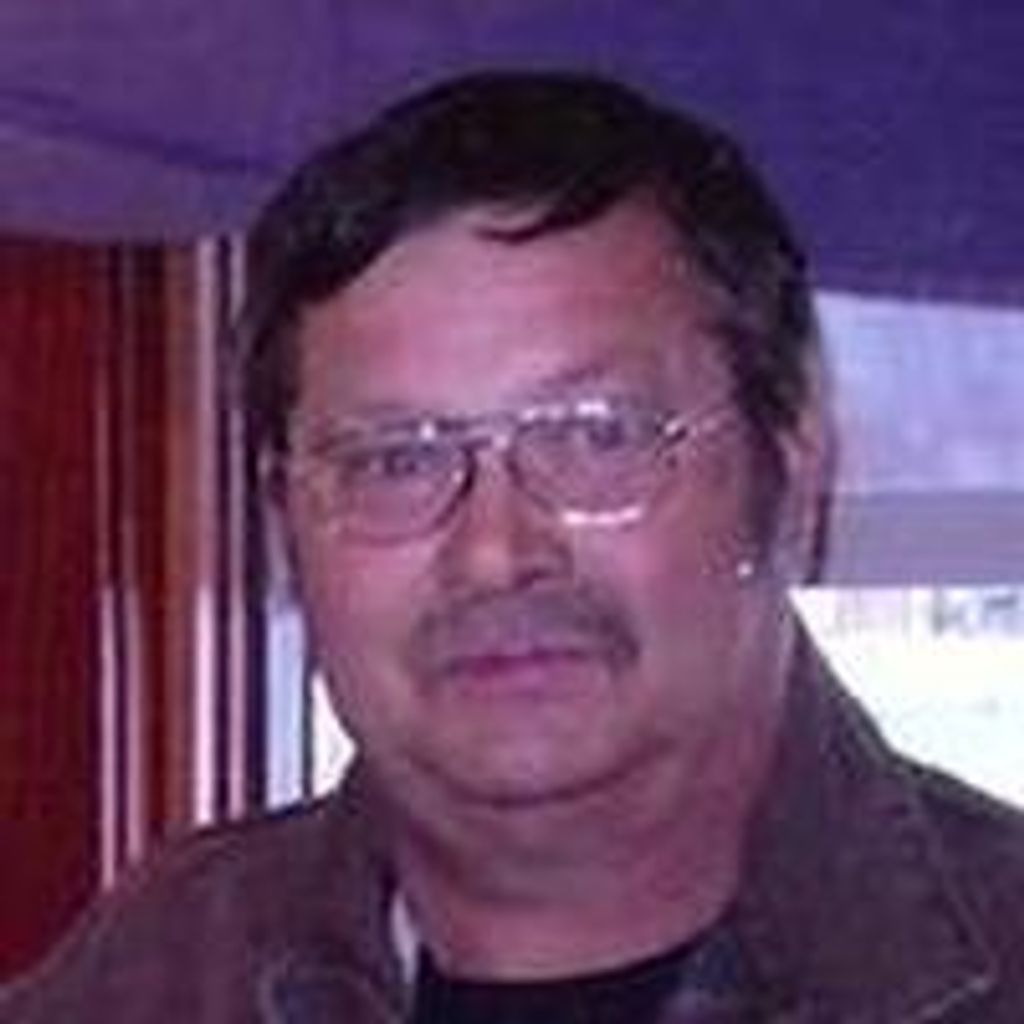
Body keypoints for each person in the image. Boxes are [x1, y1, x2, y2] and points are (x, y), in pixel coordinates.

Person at [3, 70, 1024, 1024]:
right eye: (394, 459)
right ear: (286, 528)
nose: (493, 554)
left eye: (595, 437)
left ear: (791, 478)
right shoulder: (153, 976)